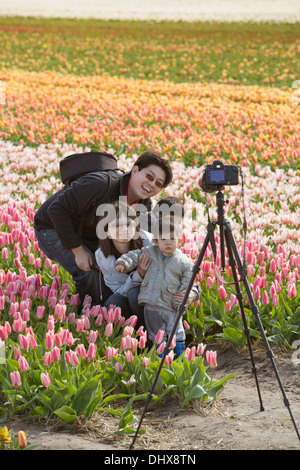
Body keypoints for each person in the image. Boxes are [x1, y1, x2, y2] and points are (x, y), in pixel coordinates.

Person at [33, 150, 173, 308]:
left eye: (158, 184)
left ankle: (107, 313)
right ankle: (88, 317)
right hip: (51, 227)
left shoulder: (143, 205)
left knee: (108, 269)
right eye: (149, 176)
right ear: (135, 171)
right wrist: (78, 251)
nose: (152, 184)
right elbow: (56, 209)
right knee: (88, 271)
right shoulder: (101, 183)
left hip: (89, 235)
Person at [115, 218, 195, 358]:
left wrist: (182, 297)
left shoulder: (184, 261)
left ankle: (179, 356)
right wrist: (123, 263)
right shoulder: (149, 252)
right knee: (157, 334)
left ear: (179, 240)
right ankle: (160, 357)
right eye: (163, 239)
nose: (168, 242)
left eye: (172, 238)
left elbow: (188, 280)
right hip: (151, 305)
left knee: (176, 331)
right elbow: (133, 256)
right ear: (155, 242)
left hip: (171, 305)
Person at [95, 201, 152, 328]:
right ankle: (133, 339)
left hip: (155, 300)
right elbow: (117, 290)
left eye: (128, 223)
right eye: (116, 225)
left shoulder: (150, 243)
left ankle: (153, 336)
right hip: (127, 298)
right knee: (113, 303)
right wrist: (138, 276)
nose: (124, 229)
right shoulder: (102, 256)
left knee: (135, 295)